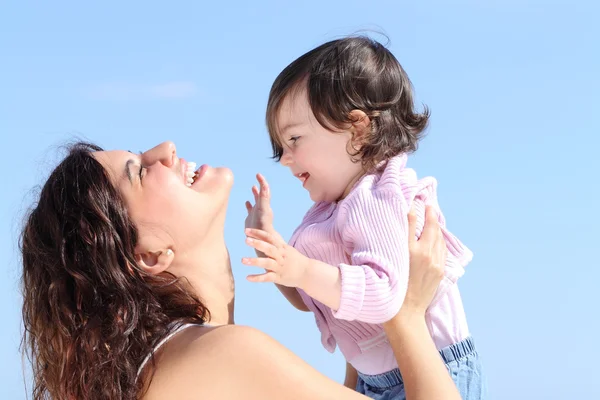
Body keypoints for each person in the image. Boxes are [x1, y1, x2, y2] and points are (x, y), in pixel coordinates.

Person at [21, 141, 460, 400]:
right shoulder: (222, 354)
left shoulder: (168, 369)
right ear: (150, 255)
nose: (165, 150)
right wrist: (403, 312)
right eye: (137, 171)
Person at [243, 35, 484, 399]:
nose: (285, 159)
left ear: (356, 129)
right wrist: (271, 250)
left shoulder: (375, 197)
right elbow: (305, 297)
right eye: (281, 147)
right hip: (383, 377)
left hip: (432, 370)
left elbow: (385, 294)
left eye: (294, 139)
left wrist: (302, 270)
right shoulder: (335, 208)